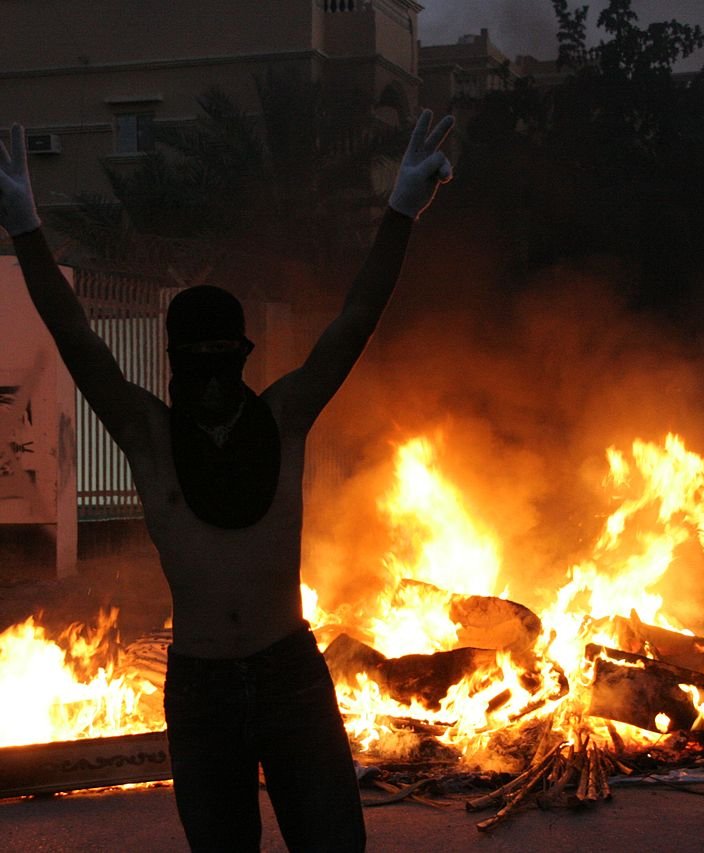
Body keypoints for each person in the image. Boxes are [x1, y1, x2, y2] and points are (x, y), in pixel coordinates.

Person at [0, 109, 454, 851]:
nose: (212, 380)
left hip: (290, 675)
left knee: (336, 842)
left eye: (224, 357)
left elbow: (356, 319)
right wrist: (26, 229)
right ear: (175, 359)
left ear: (242, 354)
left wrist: (400, 210)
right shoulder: (147, 434)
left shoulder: (282, 418)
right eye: (196, 360)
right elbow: (76, 336)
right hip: (202, 685)